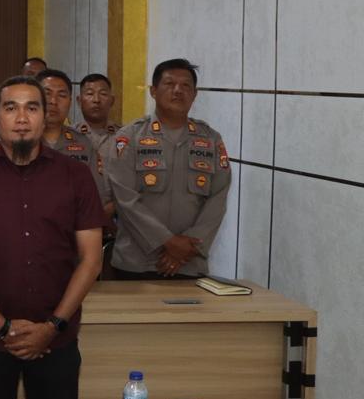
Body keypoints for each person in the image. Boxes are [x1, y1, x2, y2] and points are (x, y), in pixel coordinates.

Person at [0, 76, 105, 399]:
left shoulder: (76, 177)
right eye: (11, 108)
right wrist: (3, 327)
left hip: (57, 340)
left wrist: (51, 327)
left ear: (45, 116)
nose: (21, 118)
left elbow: (91, 260)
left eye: (32, 108)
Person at [106, 58, 231, 279]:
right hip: (135, 263)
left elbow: (218, 197)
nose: (178, 90)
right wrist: (168, 242)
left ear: (195, 94)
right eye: (170, 84)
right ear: (153, 91)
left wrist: (187, 247)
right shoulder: (129, 137)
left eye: (186, 85)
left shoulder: (210, 139)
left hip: (189, 263)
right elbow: (125, 199)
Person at [37, 69, 106, 197]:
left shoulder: (84, 143)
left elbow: (96, 195)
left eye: (62, 95)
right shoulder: (18, 140)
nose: (53, 101)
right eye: (47, 94)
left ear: (70, 102)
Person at [77, 73, 119, 155]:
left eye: (103, 94)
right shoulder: (68, 135)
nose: (96, 100)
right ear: (79, 101)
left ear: (112, 101)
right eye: (90, 94)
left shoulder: (125, 135)